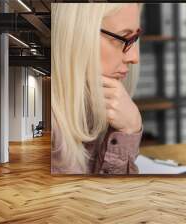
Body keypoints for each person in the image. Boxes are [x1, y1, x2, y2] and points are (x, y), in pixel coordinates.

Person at [51, 3, 143, 174]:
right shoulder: (51, 132)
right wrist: (128, 132)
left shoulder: (91, 107)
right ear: (77, 36)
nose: (134, 57)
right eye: (122, 38)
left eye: (135, 39)